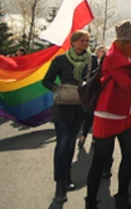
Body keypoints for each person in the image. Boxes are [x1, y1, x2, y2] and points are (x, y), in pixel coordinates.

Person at [85, 20, 131, 209]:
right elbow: (127, 84)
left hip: (125, 112)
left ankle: (122, 196)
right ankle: (90, 201)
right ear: (128, 39)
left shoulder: (127, 55)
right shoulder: (113, 56)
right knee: (100, 160)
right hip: (108, 114)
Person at [42, 31, 91, 204]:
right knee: (63, 143)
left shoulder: (91, 60)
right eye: (82, 41)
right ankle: (60, 187)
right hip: (62, 107)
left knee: (70, 143)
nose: (86, 43)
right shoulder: (60, 60)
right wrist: (58, 89)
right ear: (74, 42)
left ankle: (67, 177)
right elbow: (46, 80)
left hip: (80, 107)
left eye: (87, 41)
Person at [79, 45, 107, 151]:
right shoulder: (91, 60)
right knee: (89, 116)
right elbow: (85, 74)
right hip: (92, 91)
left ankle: (95, 137)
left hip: (102, 93)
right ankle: (84, 135)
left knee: (98, 117)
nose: (103, 52)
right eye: (101, 50)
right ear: (97, 51)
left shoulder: (107, 62)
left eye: (105, 51)